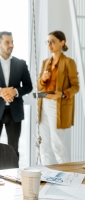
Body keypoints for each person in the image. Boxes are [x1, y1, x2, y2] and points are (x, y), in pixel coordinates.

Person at [37, 30, 79, 165]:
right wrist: (43, 79)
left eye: (53, 41)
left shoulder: (68, 62)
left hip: (57, 105)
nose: (49, 45)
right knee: (43, 144)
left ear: (62, 43)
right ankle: (46, 175)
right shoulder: (45, 62)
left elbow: (75, 86)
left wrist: (61, 94)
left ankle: (67, 176)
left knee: (58, 145)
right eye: (48, 42)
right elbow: (39, 86)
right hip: (43, 104)